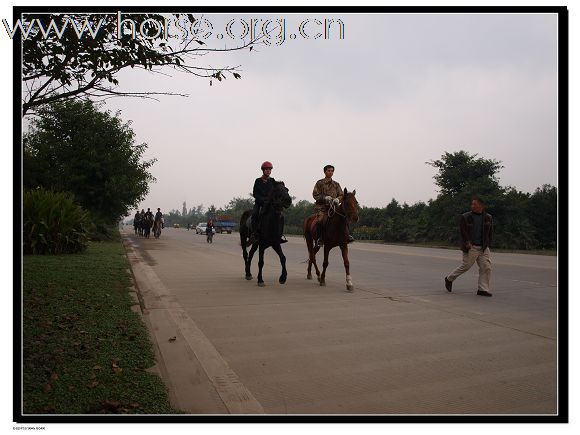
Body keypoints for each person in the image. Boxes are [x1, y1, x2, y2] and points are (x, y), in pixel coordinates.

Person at [444, 196, 493, 297]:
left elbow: (490, 233)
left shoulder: (488, 217)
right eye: (472, 204)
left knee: (486, 267)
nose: (472, 206)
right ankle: (449, 279)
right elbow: (463, 232)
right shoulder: (465, 217)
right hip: (471, 247)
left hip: (483, 247)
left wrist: (487, 243)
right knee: (466, 266)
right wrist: (467, 242)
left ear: (482, 206)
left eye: (475, 204)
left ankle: (482, 289)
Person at [312, 164, 355, 248]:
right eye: (328, 171)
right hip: (322, 207)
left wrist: (338, 199)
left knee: (344, 217)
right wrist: (324, 198)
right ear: (325, 172)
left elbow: (342, 195)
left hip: (334, 207)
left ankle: (348, 236)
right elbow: (315, 194)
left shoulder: (336, 184)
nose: (330, 172)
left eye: (332, 171)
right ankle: (320, 239)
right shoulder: (319, 183)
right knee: (320, 219)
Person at [248, 161, 287, 244]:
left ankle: (279, 235)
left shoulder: (272, 181)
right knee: (255, 214)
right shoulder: (258, 181)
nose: (268, 171)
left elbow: (278, 188)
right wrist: (262, 200)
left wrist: (283, 186)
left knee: (281, 216)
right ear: (263, 170)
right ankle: (254, 234)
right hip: (259, 203)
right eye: (266, 169)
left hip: (270, 204)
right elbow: (255, 193)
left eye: (269, 169)